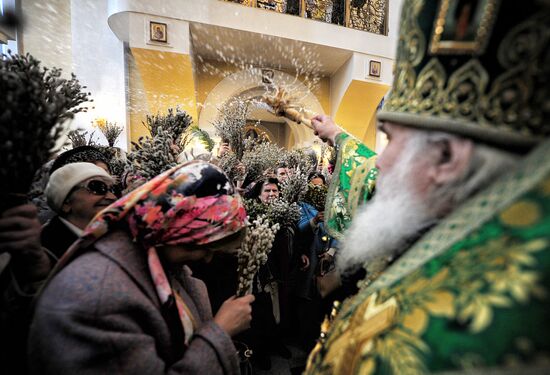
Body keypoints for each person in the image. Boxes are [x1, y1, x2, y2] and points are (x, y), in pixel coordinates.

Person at [305, 1, 550, 373]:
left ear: (447, 158)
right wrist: (338, 136)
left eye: (390, 139)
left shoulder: (436, 347)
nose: (380, 163)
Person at [28, 161, 255, 374]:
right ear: (172, 227)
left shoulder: (156, 260)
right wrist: (220, 333)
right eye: (204, 247)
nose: (207, 260)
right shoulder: (97, 296)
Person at [42, 162, 117, 259]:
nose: (112, 197)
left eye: (111, 189)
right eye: (97, 187)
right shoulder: (45, 251)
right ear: (66, 202)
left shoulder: (118, 232)